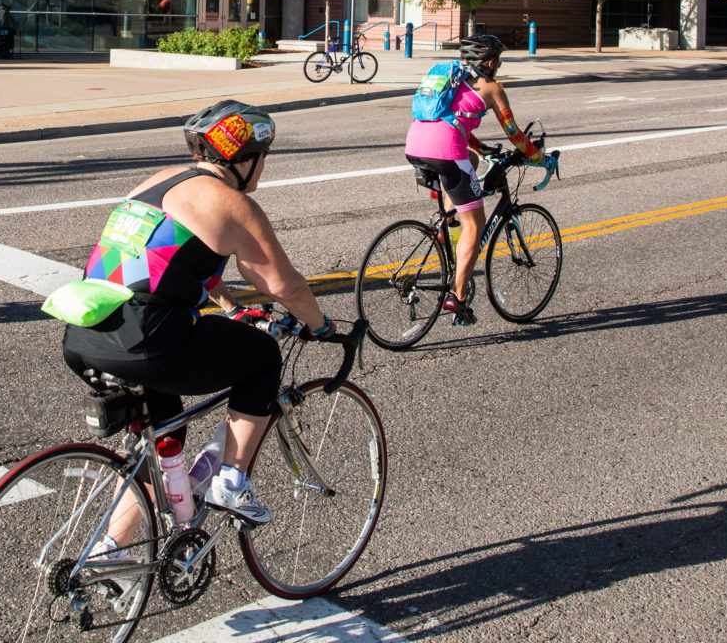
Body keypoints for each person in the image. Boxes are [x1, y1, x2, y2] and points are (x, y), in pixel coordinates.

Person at [58, 99, 336, 531]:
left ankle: (110, 551)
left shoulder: (160, 181)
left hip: (84, 332)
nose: (263, 168)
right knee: (262, 356)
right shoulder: (229, 202)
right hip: (147, 338)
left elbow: (174, 261)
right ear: (246, 160)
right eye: (263, 159)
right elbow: (284, 286)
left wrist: (232, 308)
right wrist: (322, 326)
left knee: (164, 436)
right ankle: (232, 480)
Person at [404, 33, 542, 325]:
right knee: (475, 224)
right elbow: (515, 134)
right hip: (445, 151)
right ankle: (457, 296)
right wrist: (540, 157)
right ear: (490, 62)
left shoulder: (452, 78)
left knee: (473, 162)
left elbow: (452, 118)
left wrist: (479, 147)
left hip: (415, 145)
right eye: (499, 61)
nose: (500, 66)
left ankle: (447, 226)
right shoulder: (492, 88)